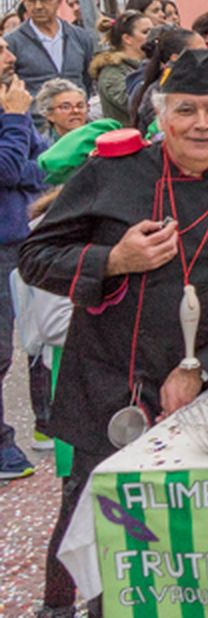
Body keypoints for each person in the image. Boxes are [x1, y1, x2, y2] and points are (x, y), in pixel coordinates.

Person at [21, 49, 208, 616]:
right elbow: (36, 257)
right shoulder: (111, 172)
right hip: (107, 384)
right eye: (185, 110)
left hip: (207, 393)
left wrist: (202, 367)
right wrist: (113, 260)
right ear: (162, 117)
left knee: (195, 533)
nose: (201, 124)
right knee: (91, 527)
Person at [0, 54, 45, 481]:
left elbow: (41, 166)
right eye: (0, 49)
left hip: (19, 239)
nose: (11, 56)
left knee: (34, 339)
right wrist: (14, 119)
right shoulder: (13, 108)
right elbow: (6, 168)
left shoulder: (10, 101)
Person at [4, 0, 96, 95]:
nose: (38, 6)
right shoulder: (12, 42)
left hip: (76, 105)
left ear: (59, 1)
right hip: (35, 107)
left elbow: (87, 79)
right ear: (24, 3)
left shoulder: (80, 37)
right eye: (31, 0)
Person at [91, 11, 150, 128]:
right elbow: (133, 103)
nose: (152, 36)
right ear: (127, 38)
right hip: (127, 136)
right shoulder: (112, 71)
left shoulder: (146, 64)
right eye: (145, 32)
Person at [32, 80, 88, 145]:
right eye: (66, 107)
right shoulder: (41, 146)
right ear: (49, 114)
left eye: (80, 106)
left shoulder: (95, 138)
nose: (76, 111)